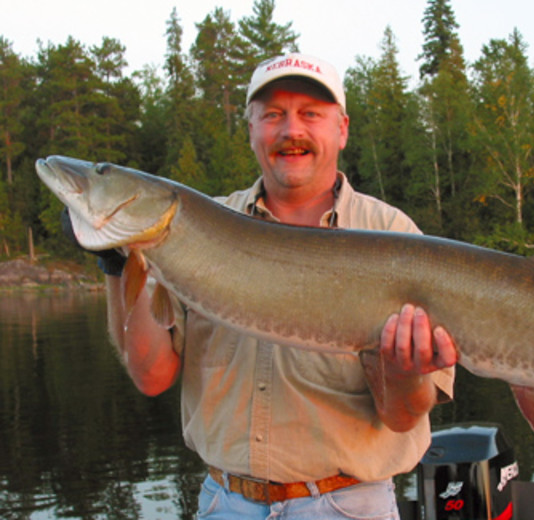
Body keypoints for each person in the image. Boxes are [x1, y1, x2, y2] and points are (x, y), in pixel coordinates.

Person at [98, 53, 458, 519]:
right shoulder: (195, 227)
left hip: (348, 505)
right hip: (224, 503)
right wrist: (114, 262)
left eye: (311, 113)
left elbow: (402, 416)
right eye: (272, 115)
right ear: (251, 130)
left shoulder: (397, 236)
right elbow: (152, 376)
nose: (292, 131)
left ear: (342, 129)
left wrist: (407, 371)